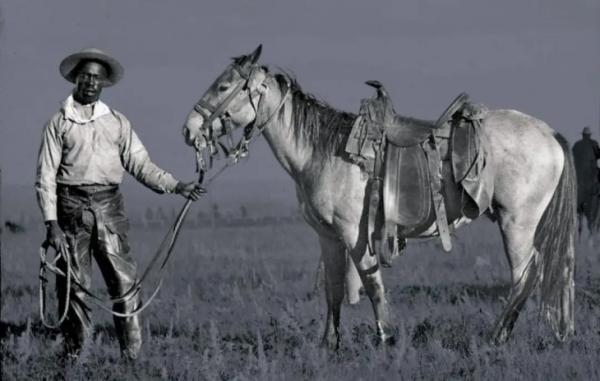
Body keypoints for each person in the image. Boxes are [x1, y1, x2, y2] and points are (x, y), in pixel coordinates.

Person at [35, 48, 205, 360]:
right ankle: (77, 358)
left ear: (104, 84)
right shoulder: (58, 123)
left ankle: (132, 359)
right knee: (74, 288)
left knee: (125, 284)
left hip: (109, 208)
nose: (90, 82)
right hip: (70, 211)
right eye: (85, 75)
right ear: (75, 79)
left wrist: (177, 186)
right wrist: (51, 224)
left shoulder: (117, 123)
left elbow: (141, 164)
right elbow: (45, 176)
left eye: (96, 77)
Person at [572, 126, 600, 233]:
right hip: (591, 176)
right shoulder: (593, 144)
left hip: (578, 179)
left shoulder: (576, 145)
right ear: (589, 135)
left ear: (582, 135)